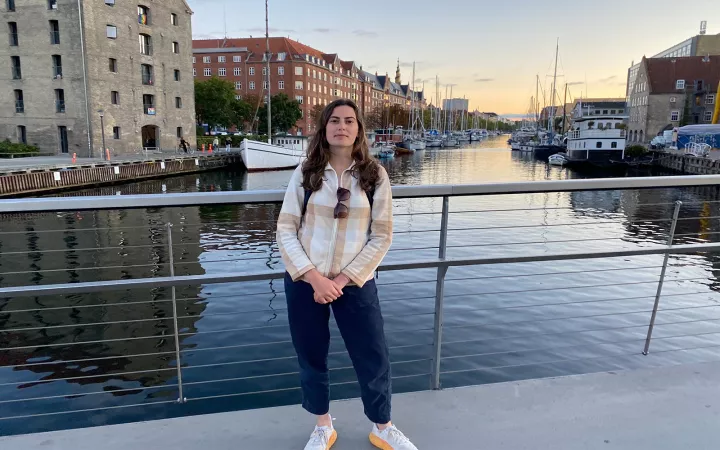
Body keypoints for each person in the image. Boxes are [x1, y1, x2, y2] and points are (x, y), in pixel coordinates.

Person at [277, 99, 418, 450]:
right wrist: (313, 277)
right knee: (311, 352)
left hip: (355, 282)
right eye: (335, 120)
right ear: (324, 128)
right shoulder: (306, 172)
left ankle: (382, 426)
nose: (342, 126)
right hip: (306, 282)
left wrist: (340, 280)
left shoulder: (374, 175)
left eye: (350, 121)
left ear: (358, 130)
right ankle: (323, 425)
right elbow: (285, 229)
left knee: (372, 353)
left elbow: (382, 235)